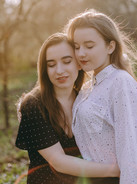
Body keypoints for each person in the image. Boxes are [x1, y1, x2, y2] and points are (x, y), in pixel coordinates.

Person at [15, 32, 121, 184]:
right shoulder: (33, 105)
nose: (59, 70)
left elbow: (112, 133)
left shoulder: (87, 98)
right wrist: (117, 169)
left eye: (66, 61)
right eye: (51, 65)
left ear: (79, 63)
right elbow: (58, 162)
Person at [65, 9, 137, 184]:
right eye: (76, 47)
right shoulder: (87, 87)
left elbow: (129, 147)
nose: (81, 53)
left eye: (89, 46)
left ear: (110, 46)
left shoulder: (121, 82)